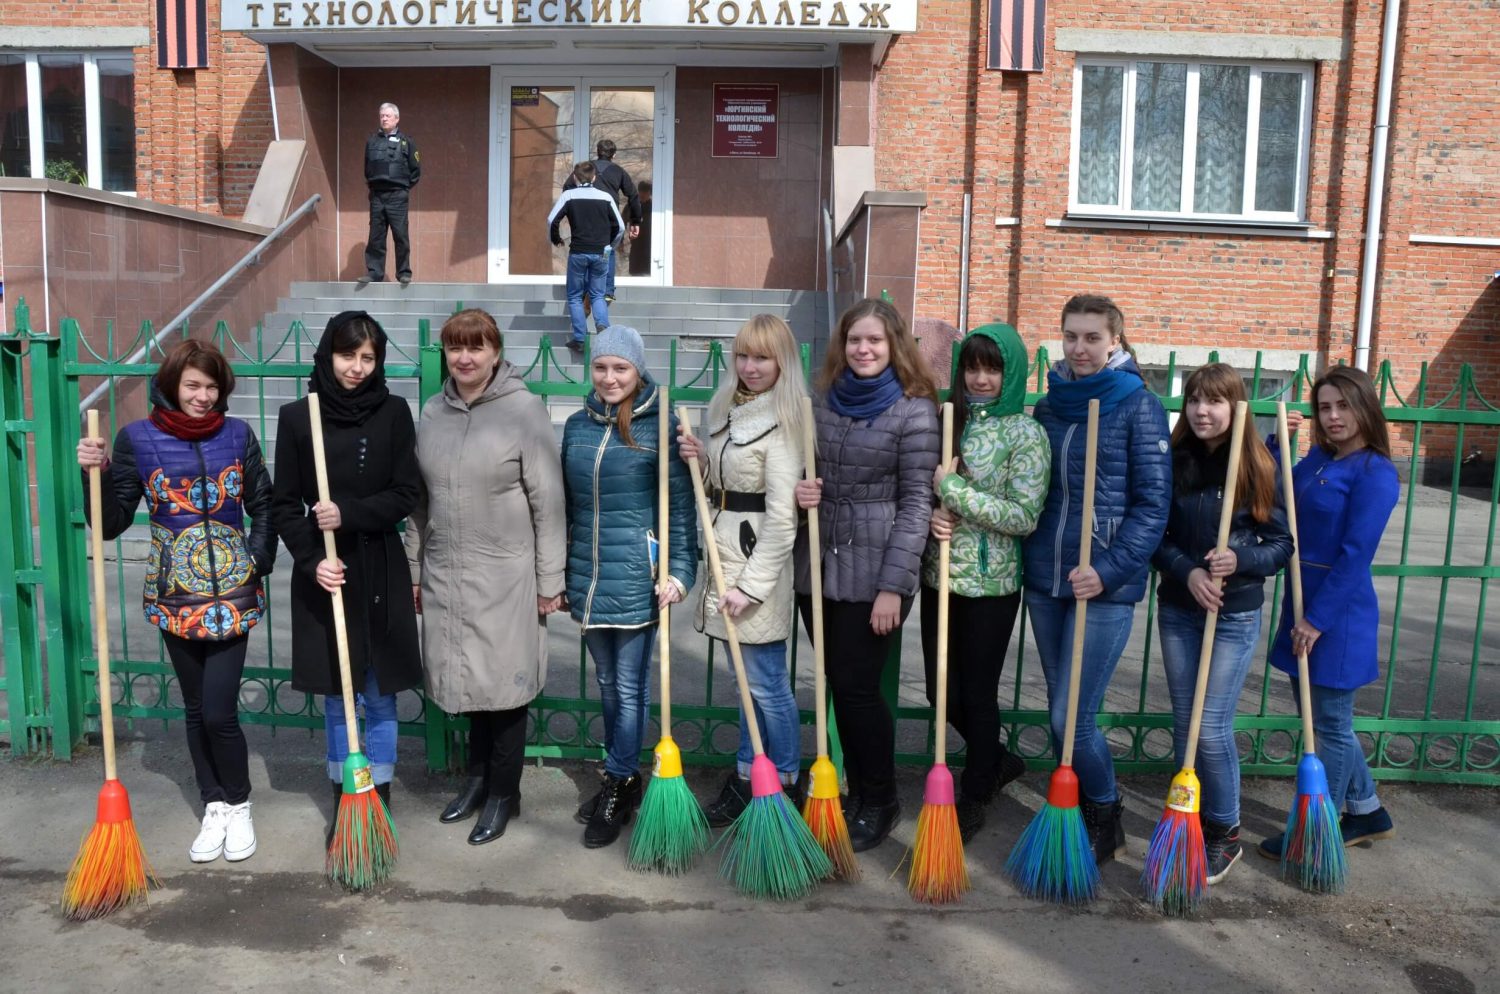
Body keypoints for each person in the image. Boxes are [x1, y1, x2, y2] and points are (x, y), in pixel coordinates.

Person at [77, 339, 275, 864]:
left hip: (233, 594)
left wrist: (255, 561)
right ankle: (213, 803)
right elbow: (111, 522)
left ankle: (240, 802)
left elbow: (264, 504)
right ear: (171, 385)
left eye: (212, 386)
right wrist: (91, 474)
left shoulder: (239, 435)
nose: (203, 396)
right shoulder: (136, 439)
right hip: (174, 594)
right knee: (194, 709)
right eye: (193, 385)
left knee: (218, 711)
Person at [404, 309, 566, 846]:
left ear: (496, 352)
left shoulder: (524, 411)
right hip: (447, 570)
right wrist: (413, 567)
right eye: (455, 348)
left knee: (504, 687)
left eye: (476, 347)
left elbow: (548, 502)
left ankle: (504, 793)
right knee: (468, 682)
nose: (465, 358)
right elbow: (419, 503)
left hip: (506, 575)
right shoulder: (433, 412)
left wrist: (550, 581)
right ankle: (477, 781)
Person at [1022, 293, 1171, 865]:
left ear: (1115, 341)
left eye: (1091, 338)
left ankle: (1105, 813)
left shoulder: (1138, 405)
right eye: (1070, 336)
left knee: (1070, 716)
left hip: (1103, 587)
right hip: (1047, 578)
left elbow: (1153, 507)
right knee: (1060, 713)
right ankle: (1080, 807)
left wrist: (1106, 571)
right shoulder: (1051, 405)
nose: (1079, 348)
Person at [793, 297, 940, 852]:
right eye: (855, 340)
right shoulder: (824, 399)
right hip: (819, 566)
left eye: (875, 340)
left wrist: (891, 589)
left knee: (857, 690)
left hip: (874, 571)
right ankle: (856, 790)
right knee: (837, 685)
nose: (863, 349)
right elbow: (805, 466)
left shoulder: (914, 409)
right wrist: (800, 487)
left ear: (894, 345)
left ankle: (880, 798)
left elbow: (915, 507)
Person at [271, 311, 423, 837]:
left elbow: (407, 492)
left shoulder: (395, 413)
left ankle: (377, 796)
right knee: (341, 694)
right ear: (327, 356)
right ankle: (347, 797)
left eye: (367, 357)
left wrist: (350, 513)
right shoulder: (298, 418)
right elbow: (284, 504)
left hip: (379, 567)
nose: (356, 367)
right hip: (328, 573)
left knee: (379, 693)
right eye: (346, 355)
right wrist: (314, 560)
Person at [1152, 362, 1292, 883]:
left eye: (1213, 401)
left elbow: (1281, 544)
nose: (1201, 411)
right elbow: (1155, 536)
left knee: (1210, 730)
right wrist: (1186, 571)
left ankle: (1225, 833)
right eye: (1193, 400)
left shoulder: (1257, 466)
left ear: (1236, 407)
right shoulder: (1173, 462)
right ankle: (1189, 818)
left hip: (1233, 615)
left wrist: (1241, 559)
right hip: (1180, 609)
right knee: (1186, 725)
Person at [563, 324, 697, 849]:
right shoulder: (577, 426)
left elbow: (681, 511)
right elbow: (567, 507)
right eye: (601, 367)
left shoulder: (661, 427)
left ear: (638, 371)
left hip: (640, 580)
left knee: (629, 686)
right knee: (608, 685)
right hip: (589, 578)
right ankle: (623, 774)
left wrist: (681, 574)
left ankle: (618, 781)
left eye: (621, 368)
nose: (610, 377)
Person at [1258, 366, 1400, 859]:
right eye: (1324, 407)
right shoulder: (1320, 456)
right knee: (1320, 719)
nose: (1333, 416)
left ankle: (1314, 830)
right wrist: (1279, 444)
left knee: (1330, 725)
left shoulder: (1375, 472)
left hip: (1336, 613)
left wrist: (1317, 620)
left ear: (1365, 408)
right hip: (1302, 596)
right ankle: (1367, 811)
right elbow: (1281, 499)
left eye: (1343, 405)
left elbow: (1356, 554)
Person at [676, 314, 809, 824]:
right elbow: (723, 488)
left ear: (782, 362)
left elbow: (781, 517)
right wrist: (703, 462)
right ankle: (750, 770)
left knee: (768, 682)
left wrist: (751, 588)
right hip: (724, 551)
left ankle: (786, 779)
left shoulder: (785, 420)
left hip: (757, 565)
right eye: (744, 356)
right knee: (745, 682)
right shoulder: (726, 409)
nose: (751, 367)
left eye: (763, 358)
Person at [920, 324, 1049, 843]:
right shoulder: (945, 418)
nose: (979, 378)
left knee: (976, 692)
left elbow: (1024, 515)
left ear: (1010, 373)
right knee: (938, 692)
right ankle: (996, 760)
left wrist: (953, 491)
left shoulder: (1025, 433)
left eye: (991, 369)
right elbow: (921, 489)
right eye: (971, 367)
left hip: (991, 585)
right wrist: (934, 513)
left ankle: (976, 788)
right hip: (939, 576)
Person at [548, 161, 625, 357]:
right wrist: (611, 246)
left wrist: (556, 238)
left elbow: (551, 220)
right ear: (594, 177)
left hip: (578, 252)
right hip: (601, 252)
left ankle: (580, 339)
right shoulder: (606, 197)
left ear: (574, 177)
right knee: (598, 294)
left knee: (574, 296)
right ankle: (603, 328)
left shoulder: (569, 195)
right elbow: (620, 227)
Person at [563, 139, 643, 300]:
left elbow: (567, 188)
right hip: (608, 219)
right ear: (614, 154)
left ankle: (586, 290)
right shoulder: (618, 171)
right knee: (608, 251)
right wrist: (635, 222)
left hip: (584, 217)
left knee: (584, 250)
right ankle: (607, 291)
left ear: (597, 152)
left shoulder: (586, 169)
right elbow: (633, 195)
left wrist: (573, 211)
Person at [360, 102, 421, 287]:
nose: (384, 118)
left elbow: (415, 170)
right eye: (382, 116)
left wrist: (402, 188)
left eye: (388, 116)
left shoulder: (407, 142)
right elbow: (366, 168)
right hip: (377, 196)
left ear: (397, 119)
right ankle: (374, 273)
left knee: (400, 235)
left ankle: (403, 273)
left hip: (397, 196)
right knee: (376, 236)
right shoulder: (372, 141)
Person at [627, 179, 653, 277]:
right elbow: (622, 221)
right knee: (635, 272)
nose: (643, 194)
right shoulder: (632, 206)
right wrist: (620, 241)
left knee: (649, 273)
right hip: (636, 245)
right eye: (641, 191)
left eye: (646, 192)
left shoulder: (654, 207)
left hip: (650, 246)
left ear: (649, 193)